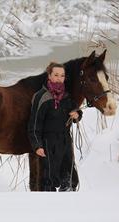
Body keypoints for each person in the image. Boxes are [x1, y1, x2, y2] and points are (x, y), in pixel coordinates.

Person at [28, 62, 82, 192]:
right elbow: (34, 123)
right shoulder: (41, 97)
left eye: (62, 76)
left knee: (69, 177)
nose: (59, 78)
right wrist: (37, 145)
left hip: (65, 140)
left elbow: (76, 111)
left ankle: (69, 200)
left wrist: (77, 114)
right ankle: (50, 206)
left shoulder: (67, 97)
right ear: (49, 76)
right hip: (48, 142)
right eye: (56, 75)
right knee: (49, 178)